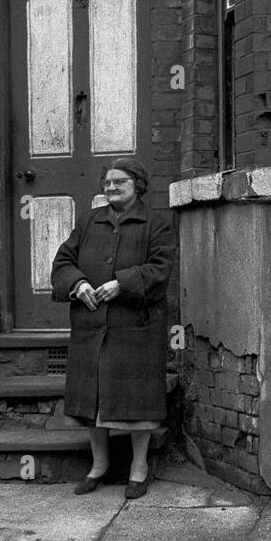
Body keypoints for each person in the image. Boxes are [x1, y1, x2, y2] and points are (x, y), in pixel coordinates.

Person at [51, 159, 175, 498]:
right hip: (91, 324)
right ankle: (99, 465)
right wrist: (78, 285)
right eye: (106, 182)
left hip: (135, 326)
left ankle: (139, 467)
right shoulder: (90, 221)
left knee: (137, 402)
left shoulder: (156, 224)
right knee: (92, 400)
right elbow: (63, 262)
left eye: (118, 182)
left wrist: (121, 284)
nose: (110, 188)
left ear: (137, 185)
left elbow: (160, 269)